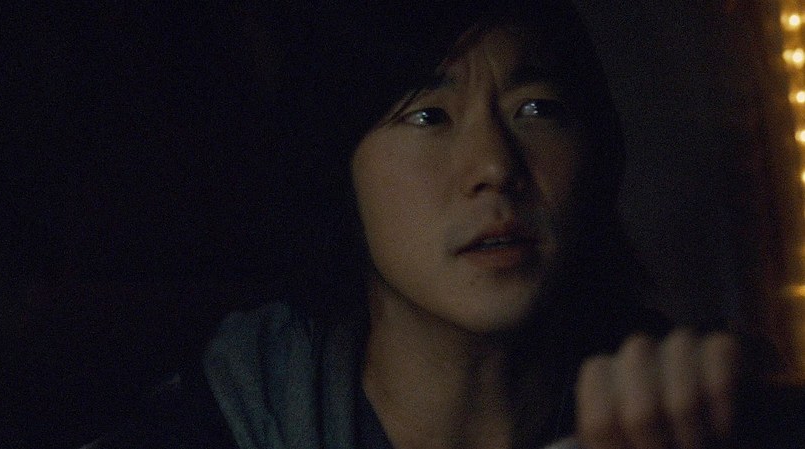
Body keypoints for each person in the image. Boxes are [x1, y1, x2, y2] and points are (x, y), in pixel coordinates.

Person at [83, 1, 741, 448]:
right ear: (338, 169)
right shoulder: (211, 425)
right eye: (428, 116)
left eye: (535, 108)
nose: (494, 166)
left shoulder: (693, 409)